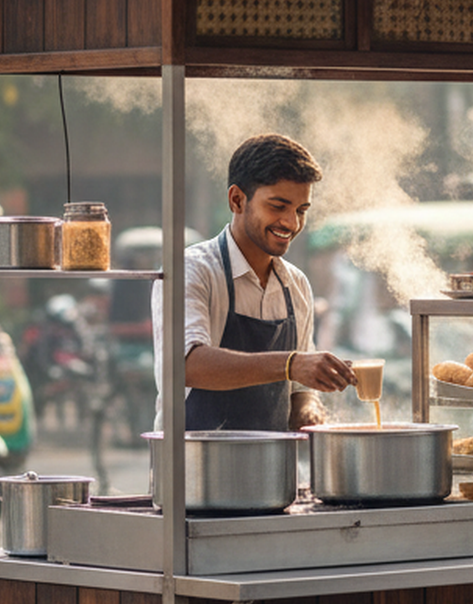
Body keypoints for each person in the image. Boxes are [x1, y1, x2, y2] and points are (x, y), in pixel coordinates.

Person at [152, 133, 355, 431]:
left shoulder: (296, 285)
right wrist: (291, 364)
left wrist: (308, 409)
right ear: (237, 199)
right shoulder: (190, 270)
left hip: (271, 471)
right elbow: (185, 365)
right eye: (278, 206)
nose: (291, 223)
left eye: (301, 211)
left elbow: (300, 391)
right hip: (195, 470)